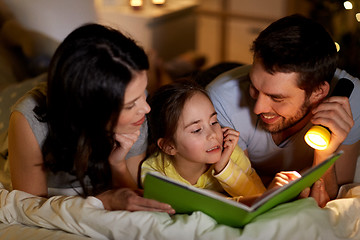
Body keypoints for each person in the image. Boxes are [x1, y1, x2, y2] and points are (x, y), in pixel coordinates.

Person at [7, 23, 174, 213]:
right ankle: (12, 29)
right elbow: (29, 209)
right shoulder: (29, 119)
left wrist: (118, 164)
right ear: (91, 110)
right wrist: (101, 202)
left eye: (143, 94)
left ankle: (167, 68)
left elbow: (133, 196)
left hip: (69, 84)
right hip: (11, 104)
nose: (146, 107)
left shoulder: (135, 106)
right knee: (24, 58)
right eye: (130, 105)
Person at [206, 14, 360, 200]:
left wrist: (325, 154)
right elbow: (237, 187)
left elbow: (335, 196)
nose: (258, 108)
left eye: (276, 98)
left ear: (318, 92)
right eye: (254, 87)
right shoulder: (221, 99)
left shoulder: (349, 99)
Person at [141, 80, 300, 200]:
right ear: (169, 146)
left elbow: (258, 196)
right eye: (197, 130)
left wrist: (224, 167)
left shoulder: (230, 152)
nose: (212, 134)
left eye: (214, 122)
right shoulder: (154, 173)